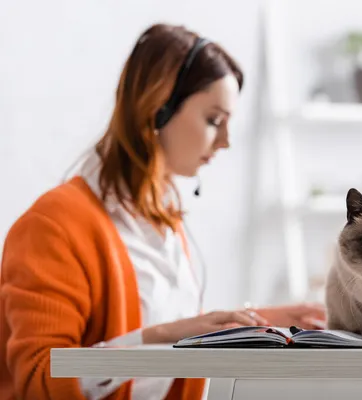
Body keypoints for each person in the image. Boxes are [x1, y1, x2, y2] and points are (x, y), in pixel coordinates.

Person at [0, 23, 325, 400]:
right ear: (157, 107)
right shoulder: (53, 225)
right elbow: (39, 381)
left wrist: (250, 322)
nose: (225, 141)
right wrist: (170, 335)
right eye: (214, 120)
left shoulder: (162, 221)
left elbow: (158, 330)